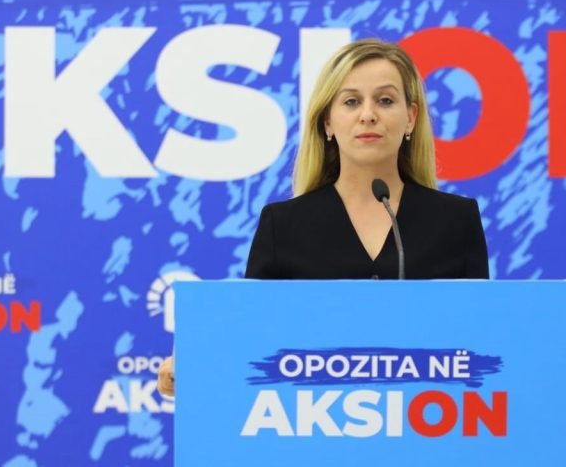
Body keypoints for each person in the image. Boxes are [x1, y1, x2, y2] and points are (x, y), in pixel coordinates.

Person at [157, 38, 489, 396]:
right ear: (328, 122)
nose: (368, 115)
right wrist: (196, 367)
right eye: (351, 102)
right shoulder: (283, 225)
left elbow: (484, 341)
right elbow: (252, 342)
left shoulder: (456, 221)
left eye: (385, 100)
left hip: (429, 419)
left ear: (411, 117)